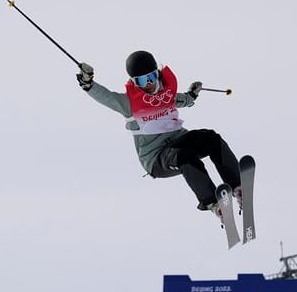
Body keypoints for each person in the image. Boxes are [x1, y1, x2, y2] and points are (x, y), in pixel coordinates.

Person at [75, 50, 242, 218]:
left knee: (211, 138)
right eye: (141, 80)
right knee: (185, 156)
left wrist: (192, 94)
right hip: (156, 158)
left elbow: (183, 99)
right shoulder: (129, 103)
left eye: (152, 77)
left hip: (179, 140)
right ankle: (213, 202)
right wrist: (87, 83)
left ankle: (238, 186)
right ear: (134, 82)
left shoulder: (166, 94)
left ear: (158, 74)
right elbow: (106, 97)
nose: (148, 83)